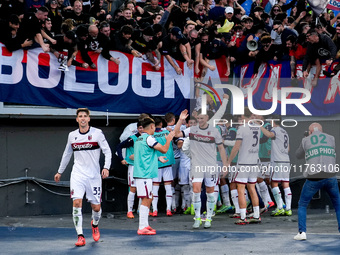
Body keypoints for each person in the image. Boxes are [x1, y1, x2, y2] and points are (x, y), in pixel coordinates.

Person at [54, 108, 112, 246]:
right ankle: (80, 235)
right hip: (78, 174)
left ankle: (95, 224)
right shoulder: (72, 135)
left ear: (89, 118)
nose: (83, 118)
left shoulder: (97, 133)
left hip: (93, 176)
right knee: (77, 203)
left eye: (85, 116)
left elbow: (107, 151)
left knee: (96, 207)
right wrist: (59, 171)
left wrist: (106, 167)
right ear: (77, 119)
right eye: (80, 116)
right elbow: (67, 154)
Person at [133, 110, 188, 235]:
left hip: (142, 174)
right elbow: (163, 149)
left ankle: (145, 225)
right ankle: (142, 227)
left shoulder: (139, 138)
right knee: (147, 199)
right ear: (152, 126)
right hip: (144, 175)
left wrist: (157, 158)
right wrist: (168, 139)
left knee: (149, 197)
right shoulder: (149, 139)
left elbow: (143, 155)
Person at [294, 123, 340, 241]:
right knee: (338, 205)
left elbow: (298, 155)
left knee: (303, 204)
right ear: (322, 130)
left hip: (314, 177)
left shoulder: (306, 140)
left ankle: (302, 232)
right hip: (331, 176)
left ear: (310, 132)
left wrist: (305, 140)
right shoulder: (331, 138)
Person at [260, 115, 292, 217]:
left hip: (277, 161)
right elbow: (288, 149)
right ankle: (288, 208)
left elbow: (269, 135)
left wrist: (260, 126)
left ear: (273, 121)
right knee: (285, 184)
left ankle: (279, 208)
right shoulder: (284, 132)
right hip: (286, 160)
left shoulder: (275, 130)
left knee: (274, 183)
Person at [116, 121, 144, 219]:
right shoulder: (132, 139)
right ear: (137, 129)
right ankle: (129, 211)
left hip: (143, 167)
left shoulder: (149, 138)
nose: (141, 130)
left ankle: (141, 209)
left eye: (143, 128)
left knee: (142, 189)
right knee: (133, 188)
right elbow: (119, 147)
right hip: (133, 166)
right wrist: (122, 159)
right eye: (140, 128)